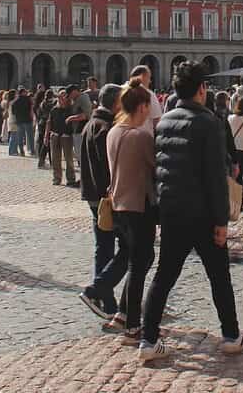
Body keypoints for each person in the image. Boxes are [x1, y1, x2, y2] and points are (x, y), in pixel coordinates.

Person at [138, 61, 243, 363]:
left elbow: (160, 170)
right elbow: (216, 177)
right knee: (219, 276)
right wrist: (221, 221)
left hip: (173, 211)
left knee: (164, 276)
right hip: (203, 214)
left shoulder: (163, 122)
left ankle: (148, 340)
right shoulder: (209, 122)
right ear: (202, 88)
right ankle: (231, 336)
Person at [88, 81, 158, 344]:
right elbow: (155, 166)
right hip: (139, 205)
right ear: (141, 107)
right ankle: (132, 326)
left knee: (140, 257)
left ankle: (122, 313)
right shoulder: (140, 136)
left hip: (118, 204)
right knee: (139, 264)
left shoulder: (114, 131)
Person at [79, 83, 123, 318]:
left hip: (93, 195)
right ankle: (100, 292)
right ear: (116, 103)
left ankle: (107, 300)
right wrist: (112, 193)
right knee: (125, 248)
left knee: (103, 246)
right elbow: (107, 168)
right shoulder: (104, 128)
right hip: (105, 197)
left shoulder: (92, 124)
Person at [49, 89, 78, 186]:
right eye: (60, 96)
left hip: (67, 136)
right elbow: (49, 122)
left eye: (63, 96)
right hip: (55, 135)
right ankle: (57, 178)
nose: (61, 98)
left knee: (68, 158)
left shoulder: (71, 109)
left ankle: (71, 179)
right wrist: (46, 136)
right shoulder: (54, 109)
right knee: (55, 158)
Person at [12, 87, 35, 157]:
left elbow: (13, 112)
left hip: (19, 121)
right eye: (25, 92)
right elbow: (31, 109)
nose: (26, 93)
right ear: (22, 92)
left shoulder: (15, 101)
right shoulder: (28, 100)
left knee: (20, 136)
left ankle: (22, 151)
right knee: (30, 136)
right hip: (28, 120)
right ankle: (32, 150)